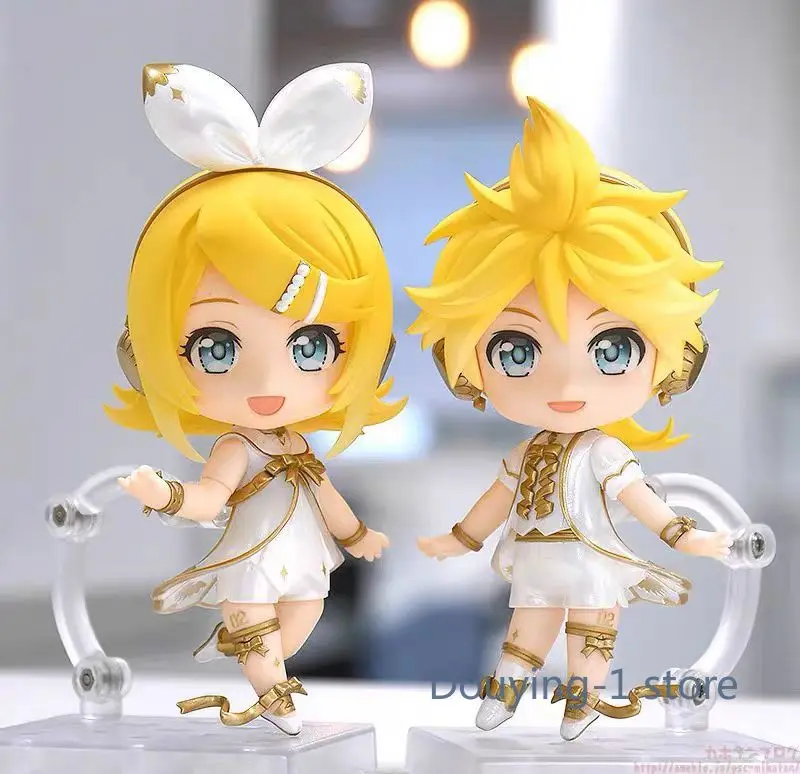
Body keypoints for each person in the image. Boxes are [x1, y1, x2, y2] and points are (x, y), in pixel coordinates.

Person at [407, 97, 731, 741]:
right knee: (524, 633)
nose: (564, 384)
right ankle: (504, 698)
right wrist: (460, 540)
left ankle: (581, 705)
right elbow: (496, 499)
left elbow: (643, 503)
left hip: (591, 561)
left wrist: (686, 538)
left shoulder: (605, 455)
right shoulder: (525, 454)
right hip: (534, 559)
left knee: (590, 633)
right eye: (517, 351)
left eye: (611, 350)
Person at [107, 62, 403, 735]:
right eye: (216, 347)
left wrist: (358, 534)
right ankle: (272, 691)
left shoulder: (297, 443)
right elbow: (210, 498)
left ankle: (263, 666)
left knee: (307, 609)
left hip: (302, 555)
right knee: (256, 620)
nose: (269, 382)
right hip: (249, 555)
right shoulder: (235, 445)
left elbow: (325, 495)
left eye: (311, 347)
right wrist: (166, 496)